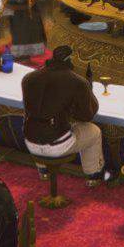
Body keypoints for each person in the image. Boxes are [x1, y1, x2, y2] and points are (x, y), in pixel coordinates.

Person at [20, 44, 109, 183]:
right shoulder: (77, 82)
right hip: (56, 145)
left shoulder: (29, 78)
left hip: (30, 140)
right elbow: (87, 116)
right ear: (70, 59)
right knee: (93, 131)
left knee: (39, 125)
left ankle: (43, 170)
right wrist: (88, 92)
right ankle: (94, 175)